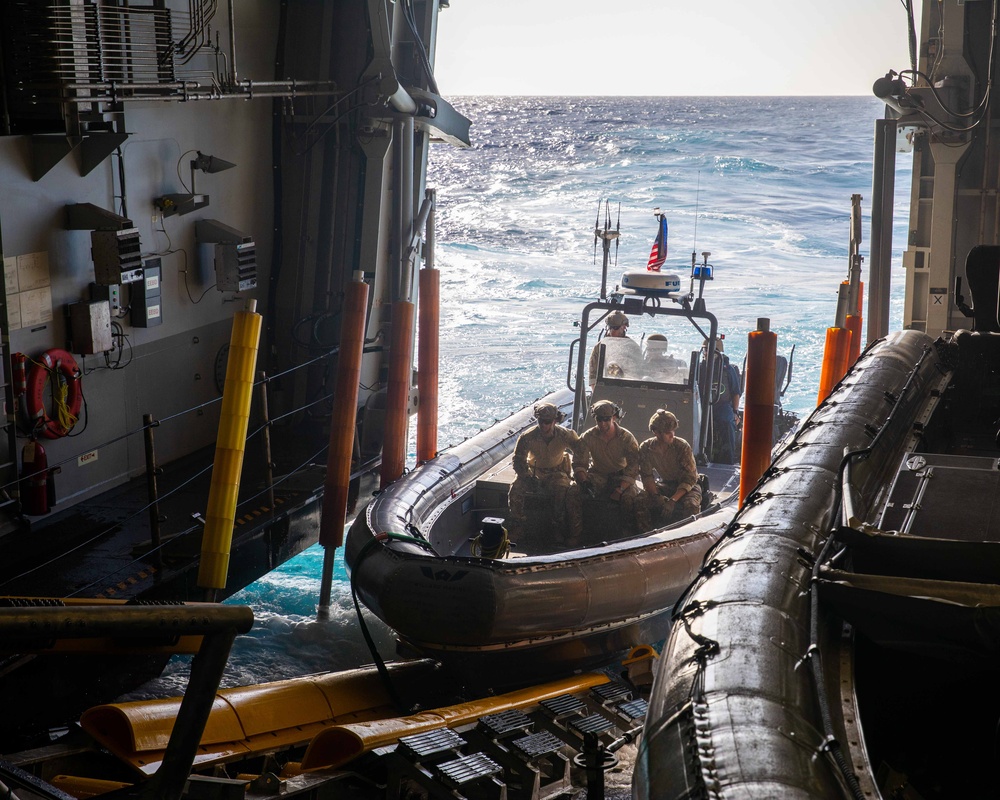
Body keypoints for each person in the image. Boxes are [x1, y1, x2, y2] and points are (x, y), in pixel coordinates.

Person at [507, 402, 584, 549]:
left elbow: (581, 450)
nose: (544, 425)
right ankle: (518, 526)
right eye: (541, 421)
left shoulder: (565, 435)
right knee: (515, 489)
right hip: (533, 472)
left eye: (547, 422)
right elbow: (518, 460)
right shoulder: (528, 437)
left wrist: (580, 470)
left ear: (555, 421)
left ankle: (557, 527)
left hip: (556, 472)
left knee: (562, 490)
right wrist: (527, 477)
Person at [575, 399, 649, 531]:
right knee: (573, 492)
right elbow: (580, 462)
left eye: (606, 419)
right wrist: (584, 482)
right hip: (598, 475)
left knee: (629, 499)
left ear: (613, 418)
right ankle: (577, 532)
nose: (602, 423)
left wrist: (620, 489)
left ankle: (627, 534)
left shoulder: (626, 438)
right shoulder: (588, 436)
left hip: (621, 478)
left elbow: (633, 466)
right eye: (599, 419)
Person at [639, 409, 703, 525]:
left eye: (673, 430)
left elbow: (690, 478)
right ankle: (646, 535)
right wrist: (656, 497)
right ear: (656, 432)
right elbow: (647, 476)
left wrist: (673, 500)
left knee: (691, 506)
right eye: (667, 432)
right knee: (640, 500)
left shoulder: (682, 446)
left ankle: (690, 536)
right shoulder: (646, 448)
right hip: (666, 484)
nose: (672, 434)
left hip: (688, 487)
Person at [701, 337, 742, 464]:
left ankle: (728, 459)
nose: (706, 353)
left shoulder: (728, 369)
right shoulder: (699, 367)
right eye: (705, 350)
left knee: (727, 422)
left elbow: (736, 392)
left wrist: (735, 412)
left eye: (709, 350)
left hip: (722, 405)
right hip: (701, 405)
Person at [588, 310, 641, 386]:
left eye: (616, 328)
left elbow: (639, 374)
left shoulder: (632, 347)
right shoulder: (600, 346)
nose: (613, 331)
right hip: (605, 388)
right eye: (611, 328)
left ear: (624, 327)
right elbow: (593, 375)